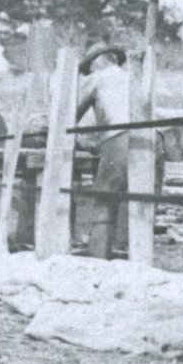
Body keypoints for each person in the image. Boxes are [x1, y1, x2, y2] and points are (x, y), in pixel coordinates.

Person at [72, 41, 132, 259]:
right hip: (149, 139)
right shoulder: (132, 77)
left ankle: (97, 258)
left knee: (104, 197)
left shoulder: (97, 78)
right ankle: (131, 254)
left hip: (120, 138)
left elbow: (70, 115)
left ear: (96, 63)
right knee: (135, 198)